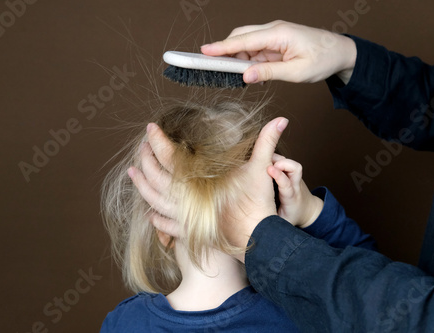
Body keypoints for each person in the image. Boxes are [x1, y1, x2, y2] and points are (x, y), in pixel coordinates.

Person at [137, 21, 434, 332]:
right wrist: (347, 57)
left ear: (164, 226)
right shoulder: (309, 312)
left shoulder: (126, 322)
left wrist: (263, 238)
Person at [99, 94, 376, 332]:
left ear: (163, 229)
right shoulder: (303, 312)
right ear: (277, 211)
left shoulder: (124, 324)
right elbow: (371, 290)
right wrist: (312, 212)